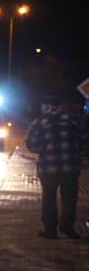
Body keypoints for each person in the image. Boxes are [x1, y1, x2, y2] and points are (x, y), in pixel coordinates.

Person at [24, 95, 87, 239]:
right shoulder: (74, 120)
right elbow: (84, 142)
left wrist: (43, 148)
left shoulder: (39, 121)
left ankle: (50, 230)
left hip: (48, 167)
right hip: (71, 166)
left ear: (46, 107)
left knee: (49, 198)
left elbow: (31, 144)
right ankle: (67, 226)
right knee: (70, 197)